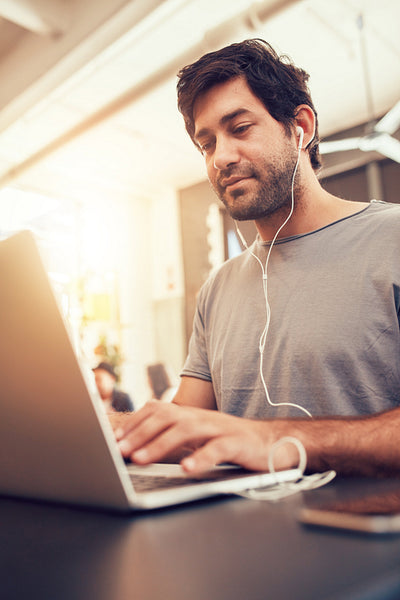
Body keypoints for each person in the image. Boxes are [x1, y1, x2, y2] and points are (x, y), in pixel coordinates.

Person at [111, 39, 400, 477]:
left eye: (240, 128)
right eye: (206, 144)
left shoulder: (392, 238)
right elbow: (185, 430)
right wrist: (106, 428)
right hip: (239, 538)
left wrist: (279, 440)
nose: (221, 158)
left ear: (300, 126)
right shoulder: (218, 288)